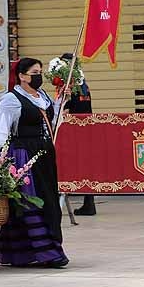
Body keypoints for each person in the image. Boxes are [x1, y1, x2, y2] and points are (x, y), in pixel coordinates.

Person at [0, 57, 69, 268]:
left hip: (45, 155)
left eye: (40, 71)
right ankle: (47, 253)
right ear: (22, 76)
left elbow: (50, 123)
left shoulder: (43, 96)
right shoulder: (11, 99)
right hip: (24, 156)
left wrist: (61, 102)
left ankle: (29, 252)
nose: (38, 76)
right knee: (29, 203)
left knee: (48, 199)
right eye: (34, 72)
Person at [60, 52, 98, 217]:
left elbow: (66, 110)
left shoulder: (70, 85)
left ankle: (72, 202)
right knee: (86, 166)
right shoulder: (83, 83)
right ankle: (89, 203)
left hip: (74, 131)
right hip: (87, 130)